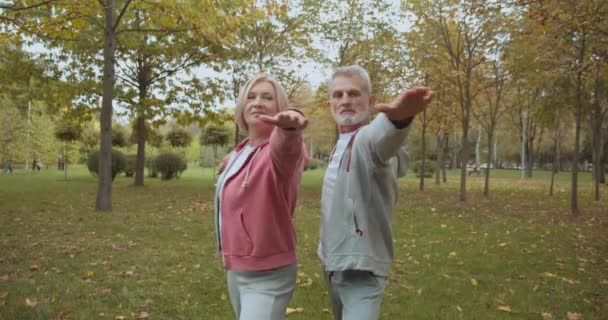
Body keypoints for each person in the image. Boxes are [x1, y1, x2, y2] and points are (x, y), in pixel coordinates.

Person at [318, 65, 433, 320]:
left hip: (363, 268)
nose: (345, 100)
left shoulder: (366, 140)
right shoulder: (340, 146)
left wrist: (398, 120)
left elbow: (382, 139)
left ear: (370, 102)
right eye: (338, 95)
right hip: (333, 264)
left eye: (353, 93)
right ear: (330, 104)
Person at [213, 73, 308, 320]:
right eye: (251, 97)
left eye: (267, 97)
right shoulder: (241, 151)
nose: (257, 102)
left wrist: (289, 126)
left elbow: (286, 147)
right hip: (236, 267)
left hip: (269, 271)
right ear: (242, 106)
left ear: (279, 108)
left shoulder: (279, 151)